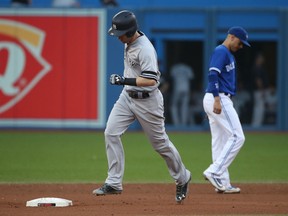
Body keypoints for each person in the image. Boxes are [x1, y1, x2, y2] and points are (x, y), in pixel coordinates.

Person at [92, 10, 191, 204]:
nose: (117, 37)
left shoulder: (145, 49)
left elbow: (151, 80)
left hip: (148, 101)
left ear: (130, 32)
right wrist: (125, 84)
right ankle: (114, 182)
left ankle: (182, 177)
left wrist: (124, 80)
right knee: (111, 133)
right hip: (127, 98)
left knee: (160, 144)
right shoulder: (129, 41)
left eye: (120, 33)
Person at [202, 26, 250, 194]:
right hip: (218, 97)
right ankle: (214, 171)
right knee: (238, 136)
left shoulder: (227, 53)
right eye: (240, 42)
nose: (241, 46)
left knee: (220, 141)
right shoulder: (221, 51)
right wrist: (216, 99)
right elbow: (212, 74)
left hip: (217, 97)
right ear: (231, 37)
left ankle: (222, 182)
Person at [251, 52, 269, 127]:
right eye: (261, 58)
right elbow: (258, 80)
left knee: (259, 108)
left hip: (259, 91)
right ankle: (256, 125)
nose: (262, 59)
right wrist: (262, 90)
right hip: (259, 91)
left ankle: (257, 125)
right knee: (259, 108)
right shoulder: (257, 68)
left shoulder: (259, 67)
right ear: (258, 59)